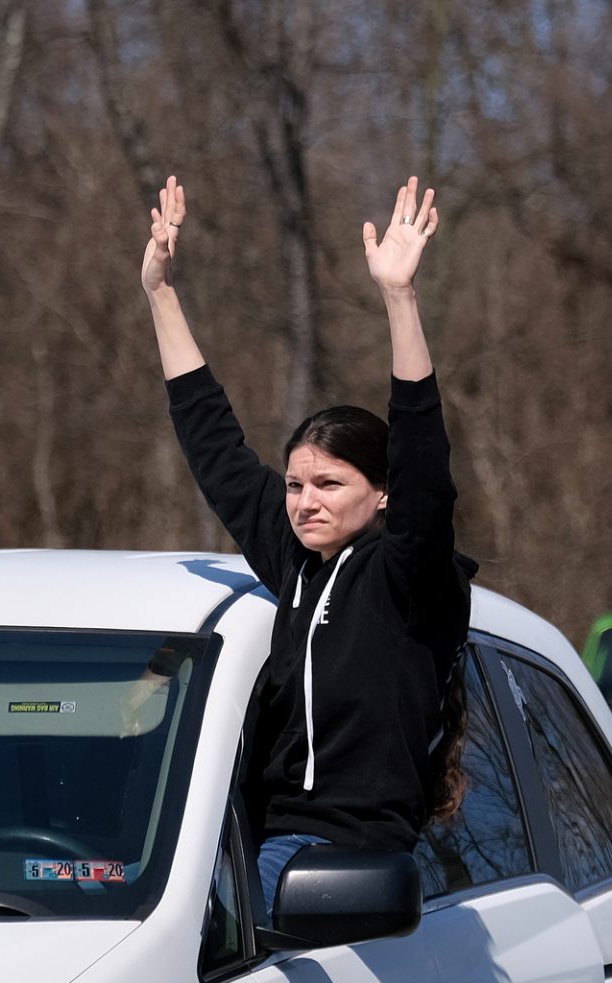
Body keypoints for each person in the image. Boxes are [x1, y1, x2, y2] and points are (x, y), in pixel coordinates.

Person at [141, 173, 474, 919]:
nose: (304, 502)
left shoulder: (405, 576)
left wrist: (398, 298)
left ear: (382, 493)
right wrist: (161, 292)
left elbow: (424, 462)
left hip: (335, 855)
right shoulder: (298, 564)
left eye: (329, 484)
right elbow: (216, 446)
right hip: (259, 842)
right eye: (294, 485)